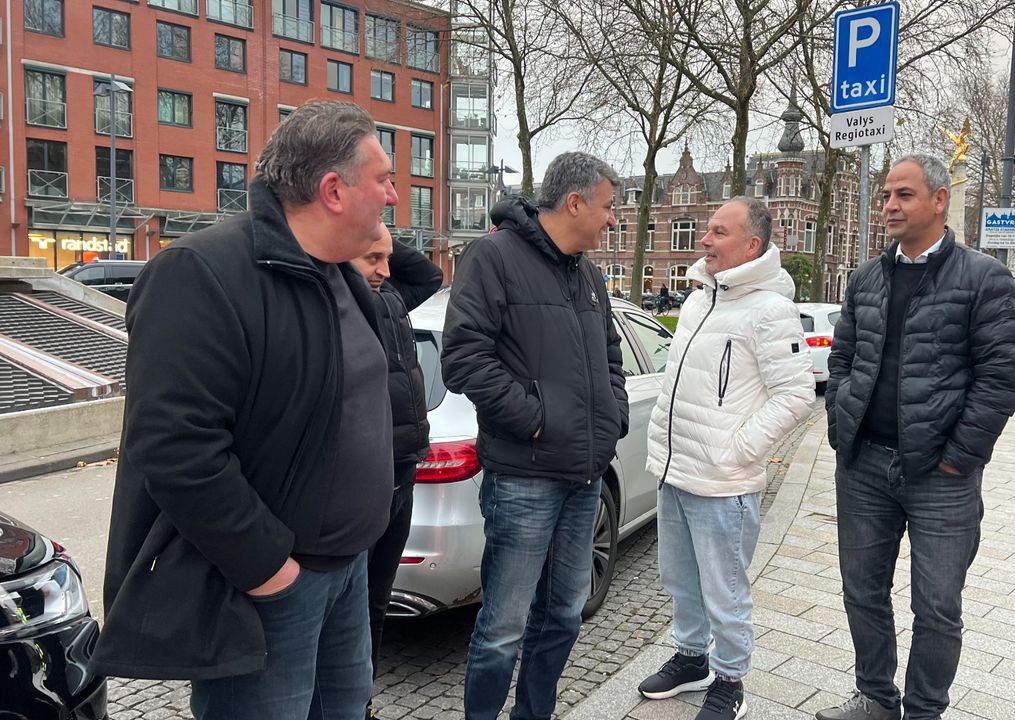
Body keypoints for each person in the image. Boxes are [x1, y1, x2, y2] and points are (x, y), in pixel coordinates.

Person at [91, 100, 398, 719]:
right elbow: (174, 447)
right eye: (384, 179)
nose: (394, 196)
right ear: (332, 190)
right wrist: (269, 570)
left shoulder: (339, 274)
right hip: (272, 590)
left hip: (347, 573)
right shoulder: (201, 272)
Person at [819, 154, 1015, 720]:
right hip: (864, 466)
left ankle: (924, 710)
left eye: (904, 195)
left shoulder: (984, 278)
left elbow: (1001, 377)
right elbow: (842, 360)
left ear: (939, 201)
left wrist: (960, 459)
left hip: (941, 475)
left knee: (937, 606)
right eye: (886, 195)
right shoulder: (865, 277)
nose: (889, 205)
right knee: (862, 591)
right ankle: (876, 697)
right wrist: (843, 427)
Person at [440, 151, 629, 720]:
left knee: (567, 612)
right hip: (523, 478)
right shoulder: (493, 258)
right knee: (503, 624)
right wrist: (536, 418)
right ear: (574, 203)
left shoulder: (590, 274)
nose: (613, 220)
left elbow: (611, 356)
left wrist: (612, 415)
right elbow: (464, 358)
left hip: (584, 476)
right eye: (608, 207)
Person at [640, 197, 814, 720]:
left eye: (718, 232)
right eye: (707, 230)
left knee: (726, 589)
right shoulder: (699, 299)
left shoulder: (770, 310)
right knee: (680, 577)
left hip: (724, 482)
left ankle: (730, 681)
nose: (705, 240)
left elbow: (797, 395)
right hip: (677, 470)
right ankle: (691, 659)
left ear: (751, 245)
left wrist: (737, 451)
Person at [351, 223, 443, 718]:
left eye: (387, 260)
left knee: (375, 604)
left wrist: (378, 238)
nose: (384, 271)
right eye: (371, 260)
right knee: (351, 608)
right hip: (365, 478)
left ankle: (360, 697)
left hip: (402, 472)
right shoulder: (344, 301)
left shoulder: (388, 298)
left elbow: (427, 274)